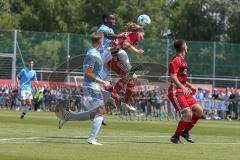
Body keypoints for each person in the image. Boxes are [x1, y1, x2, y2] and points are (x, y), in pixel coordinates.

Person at [56, 32, 112, 145]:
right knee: (101, 112)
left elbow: (107, 49)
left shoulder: (93, 51)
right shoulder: (93, 54)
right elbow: (87, 74)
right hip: (91, 86)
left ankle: (68, 116)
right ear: (100, 40)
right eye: (103, 39)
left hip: (92, 86)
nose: (104, 41)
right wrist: (103, 82)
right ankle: (91, 139)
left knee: (94, 114)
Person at [168, 39, 203, 144]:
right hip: (176, 91)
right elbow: (173, 77)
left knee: (199, 110)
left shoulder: (183, 60)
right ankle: (176, 137)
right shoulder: (176, 60)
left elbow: (180, 78)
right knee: (187, 113)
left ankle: (185, 132)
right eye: (186, 45)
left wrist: (189, 85)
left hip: (183, 91)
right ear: (183, 47)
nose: (187, 47)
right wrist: (183, 88)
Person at [107, 22, 145, 111]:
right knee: (132, 77)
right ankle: (122, 100)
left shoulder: (129, 34)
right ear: (138, 32)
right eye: (142, 34)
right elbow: (125, 44)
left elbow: (123, 44)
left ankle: (115, 97)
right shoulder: (133, 35)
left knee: (129, 78)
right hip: (114, 57)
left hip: (112, 56)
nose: (142, 37)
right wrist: (136, 50)